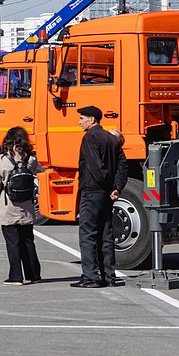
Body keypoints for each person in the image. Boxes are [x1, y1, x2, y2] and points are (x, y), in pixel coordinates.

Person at [73, 106, 128, 289]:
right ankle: (109, 276)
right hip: (106, 193)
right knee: (106, 234)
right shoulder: (112, 139)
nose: (80, 121)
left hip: (93, 190)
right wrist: (116, 187)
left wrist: (107, 184)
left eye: (82, 118)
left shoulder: (90, 137)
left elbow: (95, 166)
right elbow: (122, 166)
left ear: (92, 119)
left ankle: (91, 277)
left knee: (87, 234)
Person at [0, 126, 44, 285]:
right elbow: (40, 173)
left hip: (8, 206)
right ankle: (34, 274)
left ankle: (16, 276)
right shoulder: (30, 159)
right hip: (26, 207)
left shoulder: (1, 161)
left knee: (13, 242)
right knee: (28, 241)